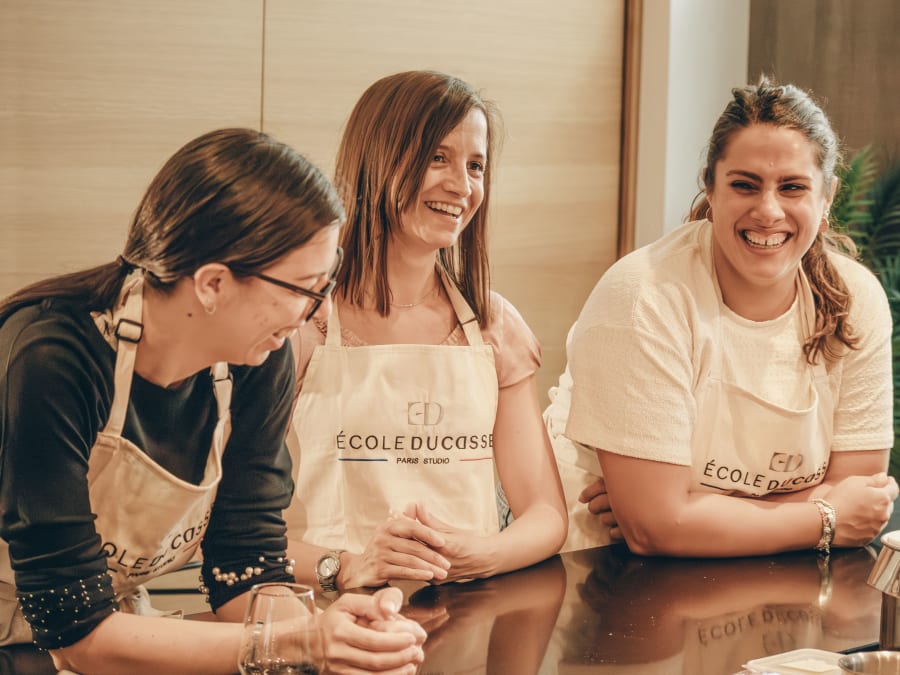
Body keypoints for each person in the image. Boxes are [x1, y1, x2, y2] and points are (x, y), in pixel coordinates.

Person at [0, 128, 425, 674]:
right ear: (213, 284)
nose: (313, 312)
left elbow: (244, 568)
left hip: (105, 631)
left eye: (325, 283)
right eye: (303, 289)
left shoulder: (256, 357)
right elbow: (75, 629)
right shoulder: (52, 359)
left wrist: (340, 626)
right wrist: (303, 642)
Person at [545, 77, 898, 556]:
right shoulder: (644, 297)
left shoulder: (855, 300)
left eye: (792, 187)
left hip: (777, 573)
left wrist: (693, 507)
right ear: (709, 187)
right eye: (745, 185)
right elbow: (653, 531)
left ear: (828, 195)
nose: (768, 210)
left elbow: (859, 496)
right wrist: (822, 513)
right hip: (599, 568)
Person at [285, 70, 567, 591]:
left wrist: (483, 553)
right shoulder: (298, 321)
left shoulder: (494, 326)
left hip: (466, 621)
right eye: (438, 157)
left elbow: (546, 515)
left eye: (476, 165)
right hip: (330, 630)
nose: (461, 186)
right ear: (377, 158)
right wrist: (345, 567)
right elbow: (235, 532)